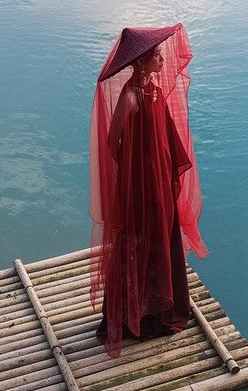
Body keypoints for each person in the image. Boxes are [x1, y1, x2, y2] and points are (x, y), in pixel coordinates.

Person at [89, 24, 208, 357]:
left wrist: (165, 172)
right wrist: (138, 171)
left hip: (159, 184)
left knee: (160, 240)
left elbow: (168, 139)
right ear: (140, 62)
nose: (161, 57)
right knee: (137, 245)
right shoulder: (129, 98)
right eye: (155, 55)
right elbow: (113, 146)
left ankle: (159, 315)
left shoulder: (154, 91)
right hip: (141, 190)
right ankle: (131, 320)